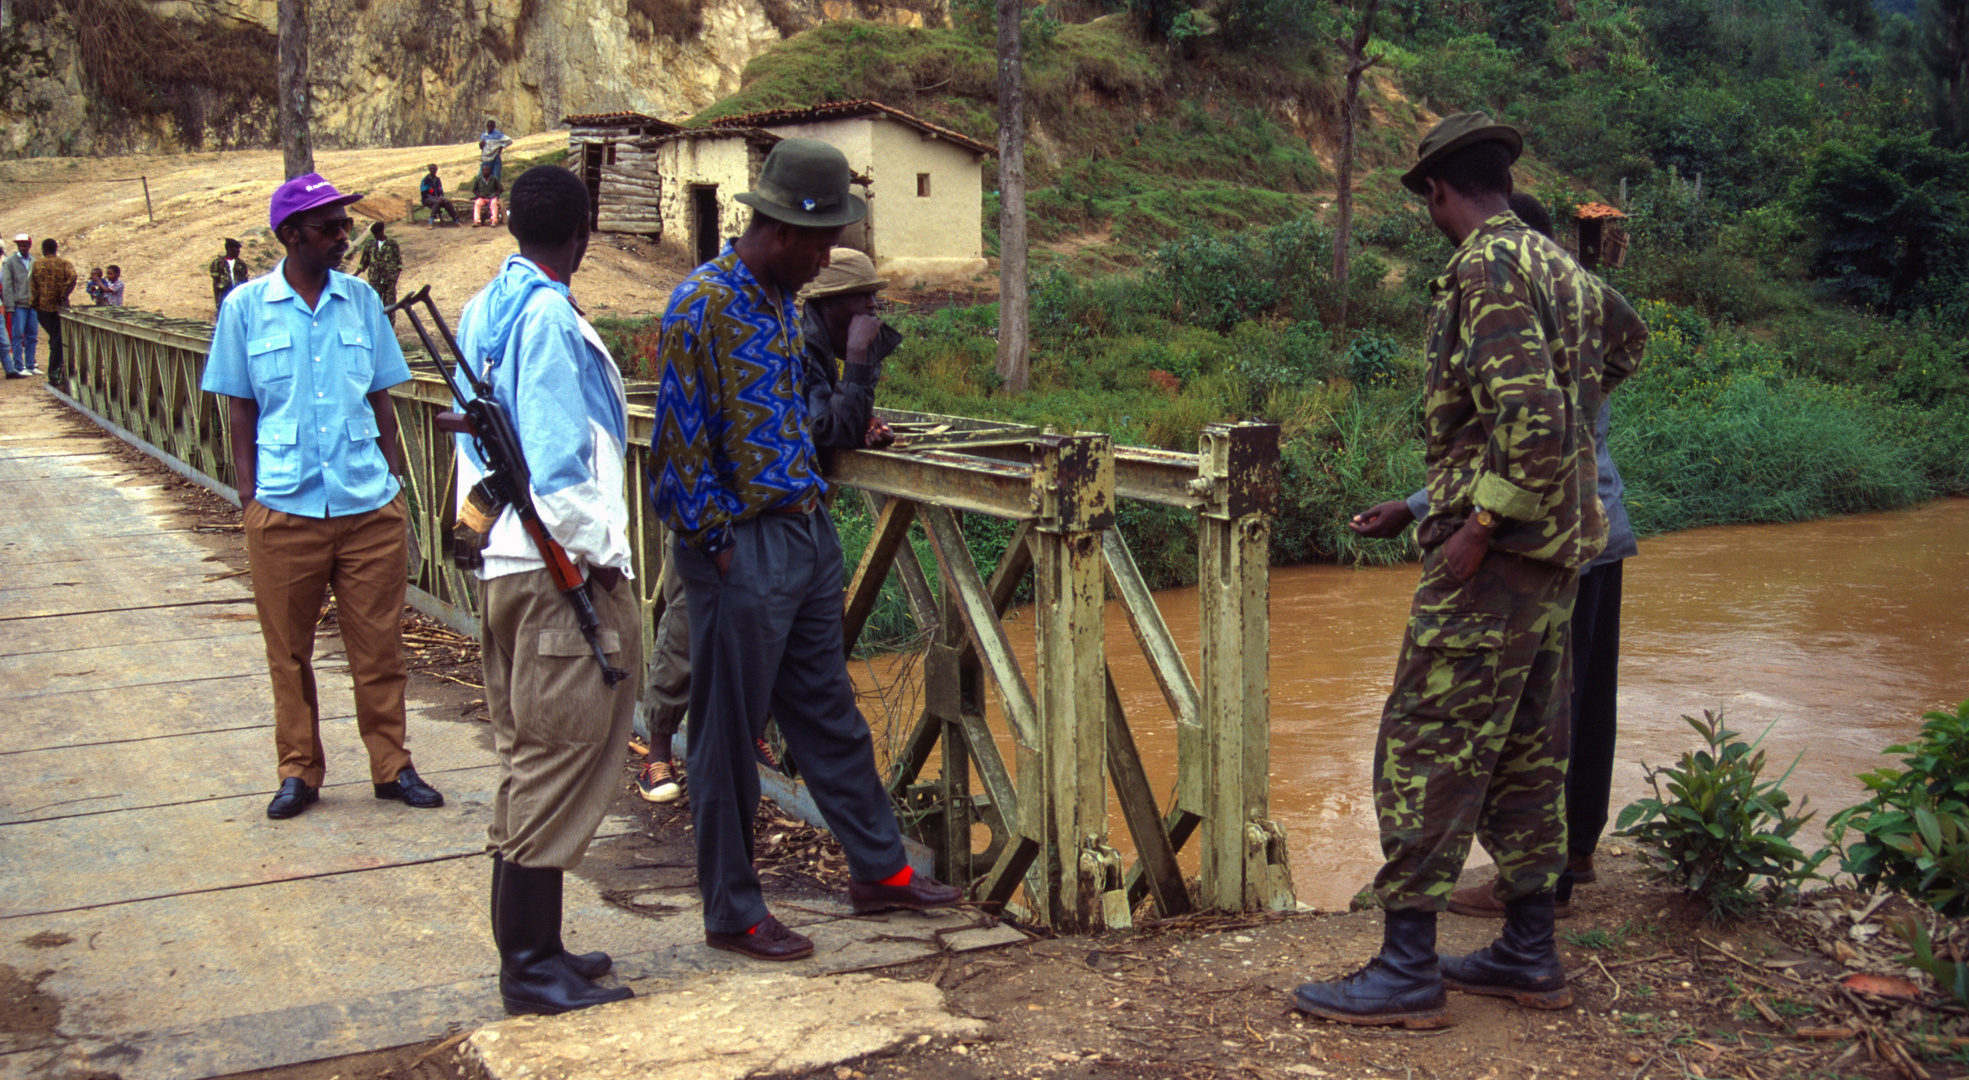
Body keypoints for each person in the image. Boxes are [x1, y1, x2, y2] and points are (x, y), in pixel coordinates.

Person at [1291, 114, 1643, 1030]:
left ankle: (1405, 965)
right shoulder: (1563, 266)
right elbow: (1625, 343)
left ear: (1439, 193)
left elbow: (1527, 417)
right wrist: (1568, 409)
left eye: (1427, 202)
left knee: (1423, 743)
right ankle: (1529, 950)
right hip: (1565, 547)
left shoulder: (1483, 267)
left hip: (1501, 552)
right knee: (1528, 751)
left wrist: (1478, 523)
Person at [649, 139, 962, 962]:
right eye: (822, 245)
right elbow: (676, 447)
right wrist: (715, 547)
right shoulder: (701, 304)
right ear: (783, 230)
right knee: (725, 740)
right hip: (739, 548)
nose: (826, 260)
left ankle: (879, 873)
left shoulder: (789, 307)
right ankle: (732, 910)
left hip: (805, 531)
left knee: (827, 713)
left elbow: (804, 420)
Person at [1353, 192, 1647, 925]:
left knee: (1538, 714)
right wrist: (1418, 506)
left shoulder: (1509, 290)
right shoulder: (1575, 308)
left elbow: (1527, 433)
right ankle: (1553, 877)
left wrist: (1478, 523)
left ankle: (1540, 880)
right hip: (1589, 528)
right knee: (1562, 705)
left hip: (1544, 537)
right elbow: (1529, 429)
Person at [200, 171, 445, 822]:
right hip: (284, 508)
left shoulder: (361, 301)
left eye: (345, 225)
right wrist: (251, 497)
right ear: (290, 236)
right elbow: (239, 409)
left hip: (367, 506)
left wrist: (394, 483)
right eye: (329, 227)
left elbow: (383, 400)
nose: (344, 236)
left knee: (380, 646)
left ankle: (392, 766)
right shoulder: (246, 309)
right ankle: (298, 771)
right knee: (288, 652)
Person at [457, 165, 638, 1016]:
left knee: (529, 756)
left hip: (502, 562)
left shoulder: (480, 311)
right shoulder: (551, 321)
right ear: (583, 233)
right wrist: (606, 561)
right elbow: (564, 478)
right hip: (557, 571)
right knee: (558, 756)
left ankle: (542, 946)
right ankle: (527, 965)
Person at [797, 247, 900, 453]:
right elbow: (827, 434)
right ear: (827, 300)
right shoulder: (800, 350)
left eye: (873, 294)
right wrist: (856, 356)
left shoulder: (867, 343)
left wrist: (869, 423)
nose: (873, 304)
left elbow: (844, 418)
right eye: (860, 295)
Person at [28, 238, 76, 385]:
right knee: (57, 339)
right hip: (60, 307)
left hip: (43, 308)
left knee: (55, 339)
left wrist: (35, 303)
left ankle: (54, 372)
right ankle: (55, 372)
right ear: (55, 249)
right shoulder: (64, 263)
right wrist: (64, 293)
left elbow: (33, 285)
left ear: (44, 249)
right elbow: (73, 276)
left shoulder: (37, 264)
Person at [3, 234, 37, 377]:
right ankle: (18, 365)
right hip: (18, 304)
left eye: (24, 245)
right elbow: (7, 284)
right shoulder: (10, 261)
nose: (22, 247)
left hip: (32, 305)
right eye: (19, 245)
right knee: (17, 336)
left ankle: (30, 365)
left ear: (29, 245)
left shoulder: (34, 261)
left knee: (32, 335)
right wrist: (9, 304)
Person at [354, 221, 403, 310]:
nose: (375, 236)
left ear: (382, 231)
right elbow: (363, 263)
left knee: (390, 306)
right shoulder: (370, 245)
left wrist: (395, 277)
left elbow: (399, 263)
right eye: (374, 234)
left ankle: (390, 324)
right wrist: (354, 276)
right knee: (373, 305)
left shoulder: (392, 244)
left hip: (390, 281)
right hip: (375, 280)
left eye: (377, 233)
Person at [210, 238, 250, 316]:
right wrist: (217, 301)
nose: (239, 251)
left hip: (238, 295)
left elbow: (246, 282)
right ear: (229, 248)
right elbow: (215, 282)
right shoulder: (218, 263)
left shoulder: (241, 264)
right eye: (236, 249)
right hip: (224, 294)